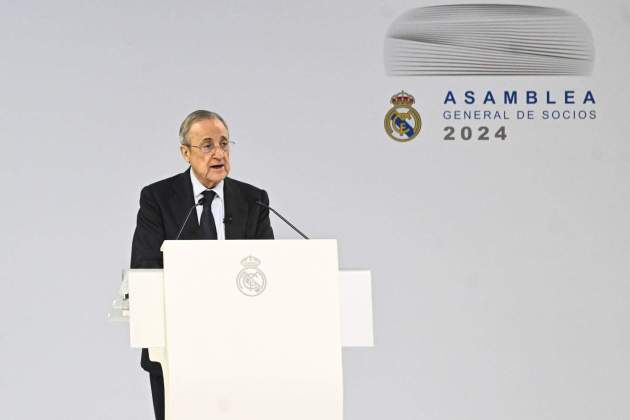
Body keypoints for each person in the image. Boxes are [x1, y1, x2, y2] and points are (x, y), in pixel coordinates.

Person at [130, 110, 274, 420]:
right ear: (186, 152)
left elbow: (269, 270)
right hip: (177, 348)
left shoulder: (254, 200)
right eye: (207, 145)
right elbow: (145, 266)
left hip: (241, 348)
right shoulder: (157, 198)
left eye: (224, 143)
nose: (219, 153)